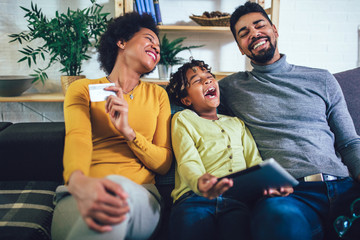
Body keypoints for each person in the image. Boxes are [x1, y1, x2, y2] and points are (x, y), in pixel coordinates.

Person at [218, 2, 360, 240]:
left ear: (274, 30)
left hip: (344, 186)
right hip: (289, 195)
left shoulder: (321, 79)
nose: (253, 33)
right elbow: (189, 102)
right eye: (243, 33)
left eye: (259, 25)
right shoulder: (230, 88)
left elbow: (349, 142)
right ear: (241, 48)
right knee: (275, 217)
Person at [51, 12, 173, 240]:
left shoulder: (158, 95)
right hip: (80, 192)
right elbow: (77, 137)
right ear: (122, 41)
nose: (156, 47)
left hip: (141, 195)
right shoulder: (82, 89)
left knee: (116, 192)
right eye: (149, 39)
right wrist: (77, 182)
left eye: (158, 46)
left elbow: (164, 163)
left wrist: (128, 132)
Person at [166, 59, 293, 240]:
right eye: (197, 81)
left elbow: (254, 161)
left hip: (237, 201)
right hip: (194, 199)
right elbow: (187, 161)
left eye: (209, 77)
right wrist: (199, 181)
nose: (207, 81)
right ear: (186, 99)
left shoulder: (237, 123)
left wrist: (269, 183)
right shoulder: (183, 119)